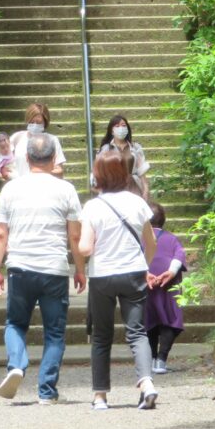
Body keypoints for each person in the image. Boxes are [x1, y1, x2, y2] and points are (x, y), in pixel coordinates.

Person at [0, 133, 87, 404]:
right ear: (54, 158)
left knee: (15, 323)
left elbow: (0, 233)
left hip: (19, 267)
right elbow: (75, 235)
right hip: (54, 268)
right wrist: (80, 269)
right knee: (54, 332)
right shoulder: (66, 189)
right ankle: (46, 391)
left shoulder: (11, 189)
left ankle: (16, 365)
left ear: (26, 157)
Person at [78, 148, 158, 411]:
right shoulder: (137, 202)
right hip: (134, 272)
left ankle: (100, 396)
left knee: (101, 336)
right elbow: (151, 243)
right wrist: (144, 266)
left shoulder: (93, 206)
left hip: (102, 276)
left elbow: (85, 248)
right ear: (124, 173)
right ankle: (146, 383)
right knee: (137, 332)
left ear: (98, 175)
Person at [145, 202, 187, 374]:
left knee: (148, 322)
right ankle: (161, 360)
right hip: (167, 287)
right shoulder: (171, 239)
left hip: (146, 285)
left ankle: (151, 358)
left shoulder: (140, 239)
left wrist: (146, 274)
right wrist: (171, 271)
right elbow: (179, 255)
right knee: (169, 321)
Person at [7, 102, 66, 178]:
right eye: (32, 122)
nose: (35, 125)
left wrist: (41, 172)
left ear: (45, 122)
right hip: (21, 183)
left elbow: (59, 171)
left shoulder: (52, 140)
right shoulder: (17, 137)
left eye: (39, 122)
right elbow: (3, 160)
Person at [98, 114, 151, 199]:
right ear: (111, 131)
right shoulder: (106, 149)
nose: (121, 128)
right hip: (113, 187)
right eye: (117, 126)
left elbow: (141, 170)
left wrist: (145, 189)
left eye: (123, 125)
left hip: (133, 187)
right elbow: (101, 172)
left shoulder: (135, 147)